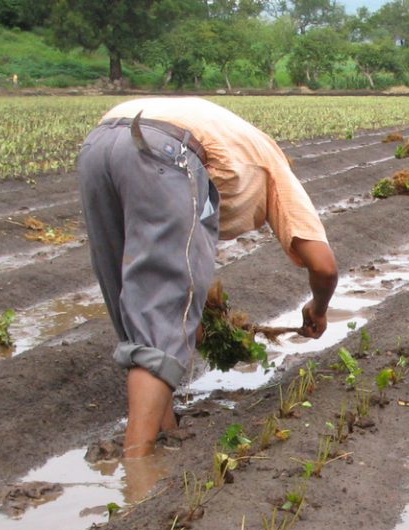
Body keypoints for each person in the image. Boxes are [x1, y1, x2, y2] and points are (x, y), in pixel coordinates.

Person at [78, 97, 338, 459]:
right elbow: (324, 266)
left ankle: (164, 427)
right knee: (160, 322)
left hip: (101, 141)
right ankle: (137, 467)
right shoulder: (277, 171)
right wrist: (318, 308)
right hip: (169, 150)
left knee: (135, 306)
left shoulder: (243, 147)